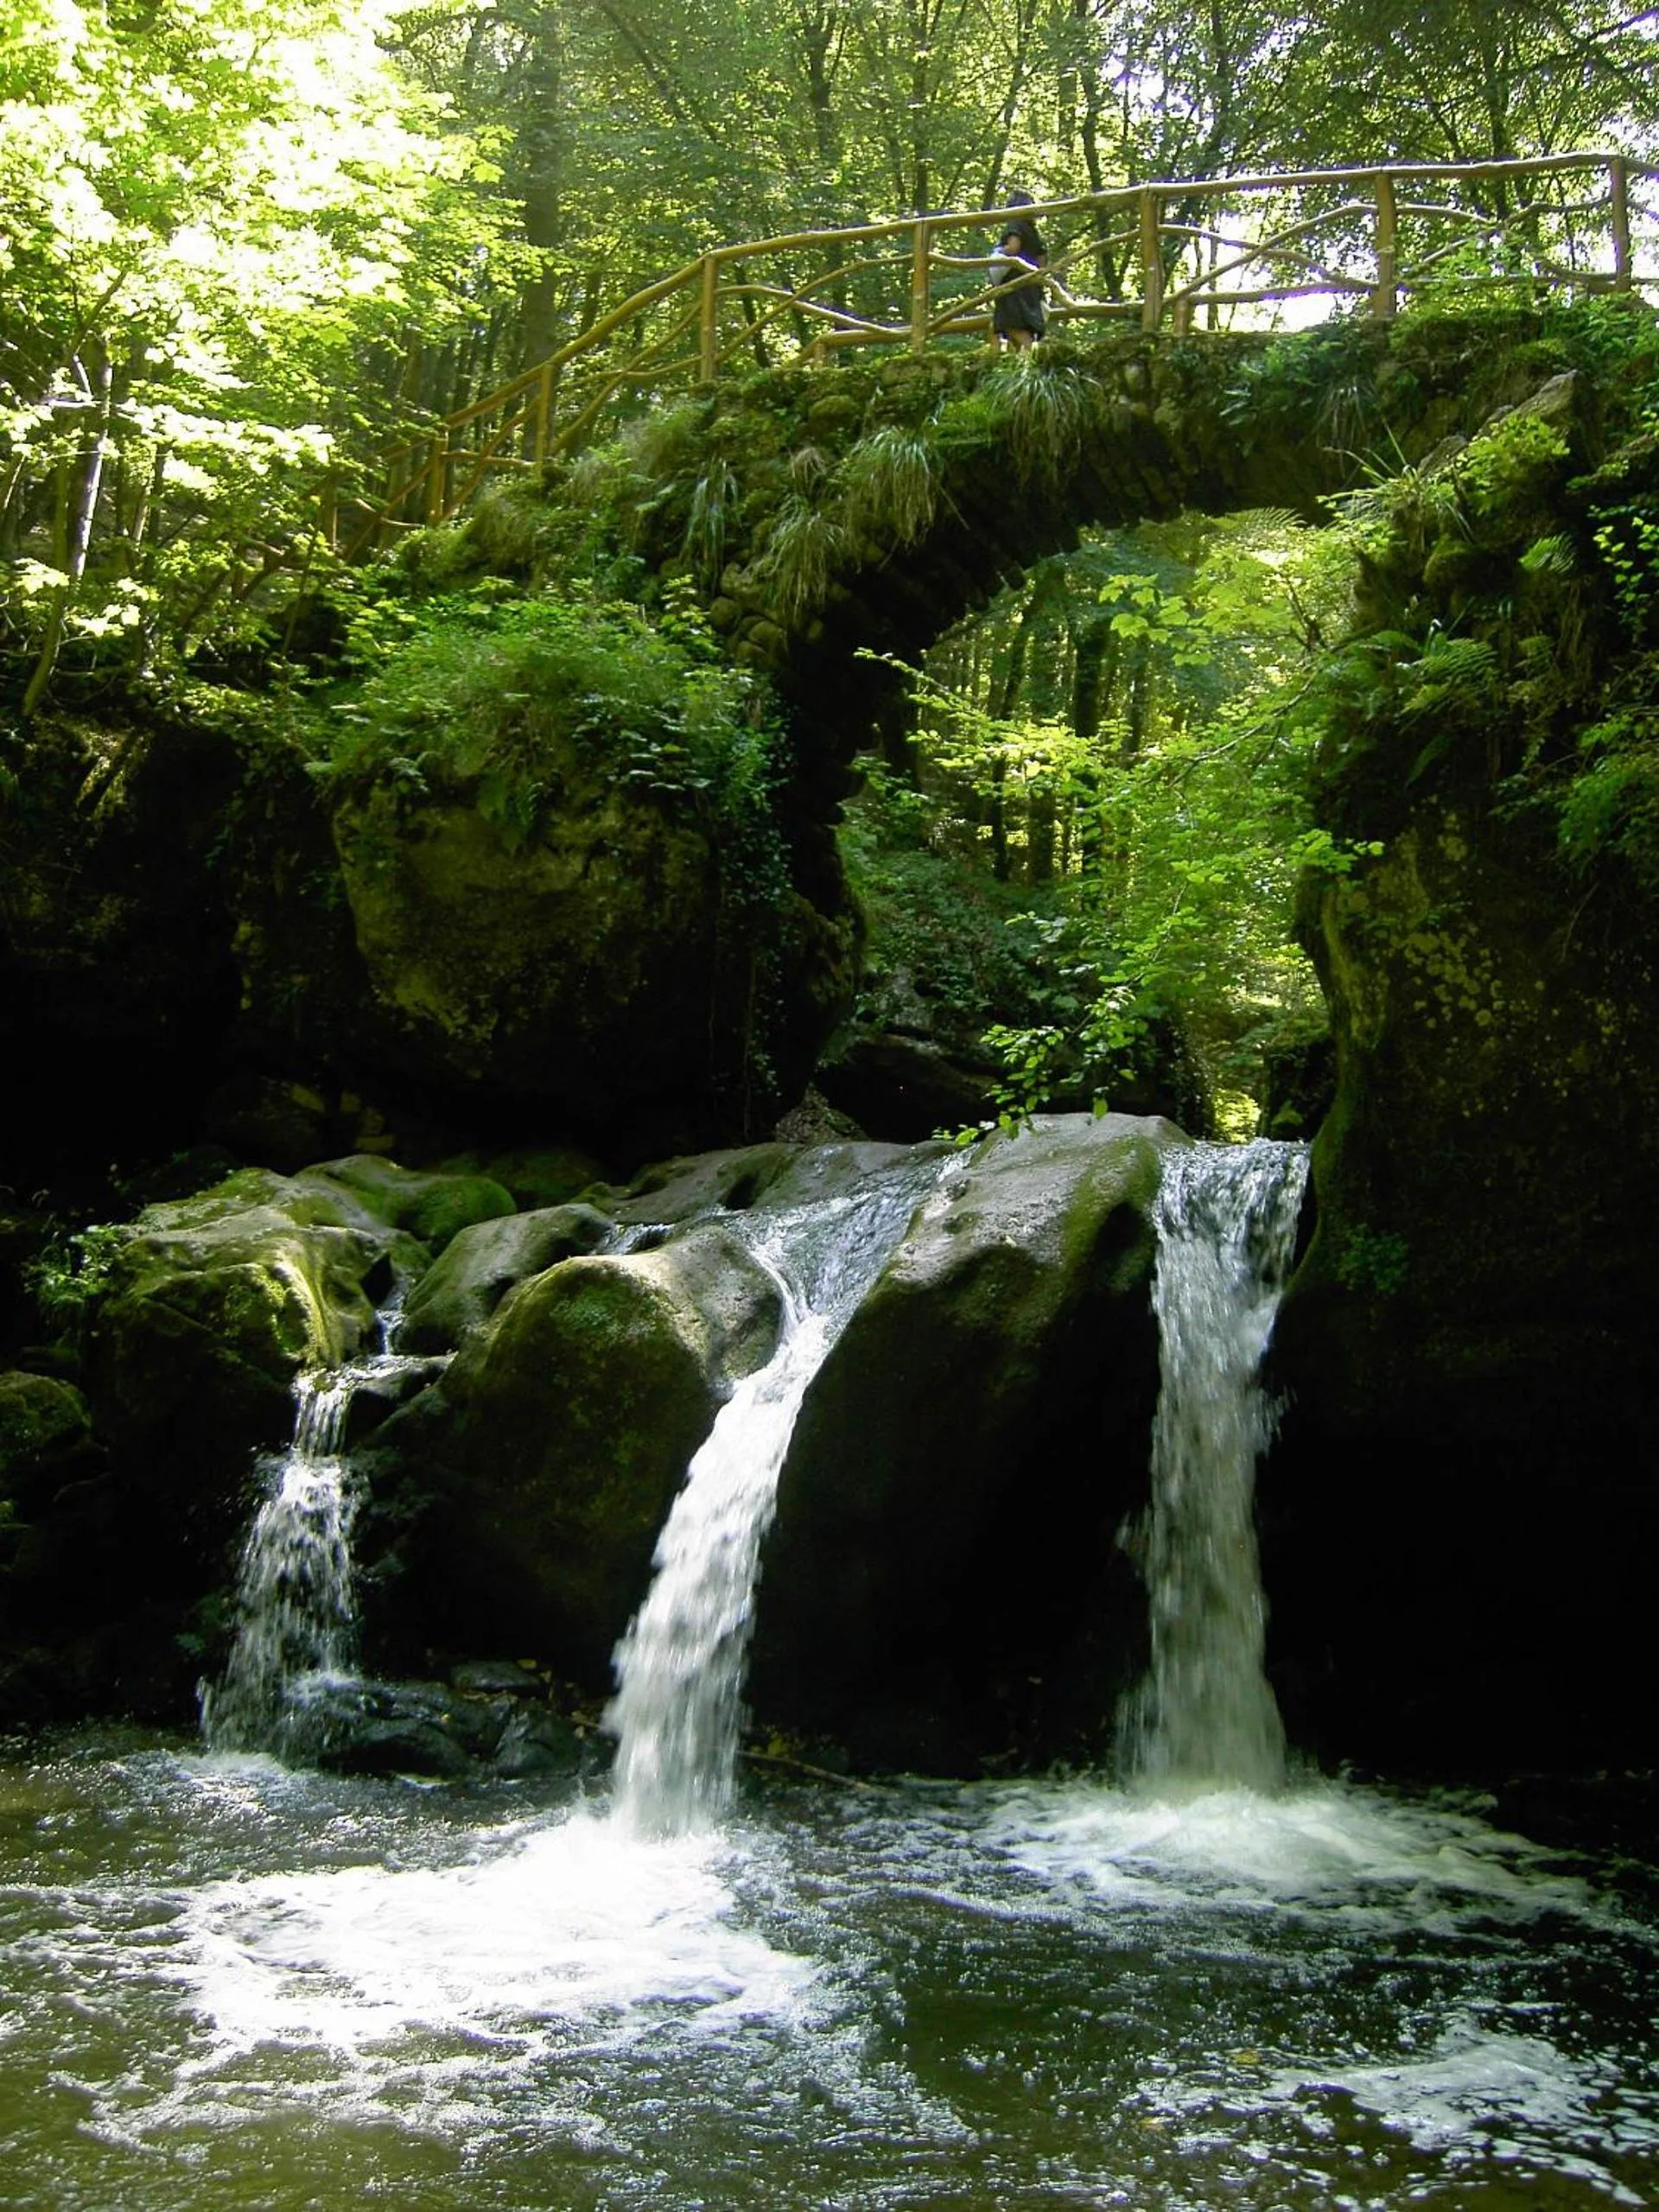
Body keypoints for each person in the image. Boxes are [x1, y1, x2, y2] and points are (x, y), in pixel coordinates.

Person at [990, 189, 1046, 350]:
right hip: (1031, 284)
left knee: (1010, 323)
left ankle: (1033, 359)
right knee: (1024, 325)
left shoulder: (1015, 225)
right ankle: (1024, 365)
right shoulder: (1033, 232)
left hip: (1015, 282)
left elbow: (1013, 248)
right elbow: (1042, 259)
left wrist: (999, 252)